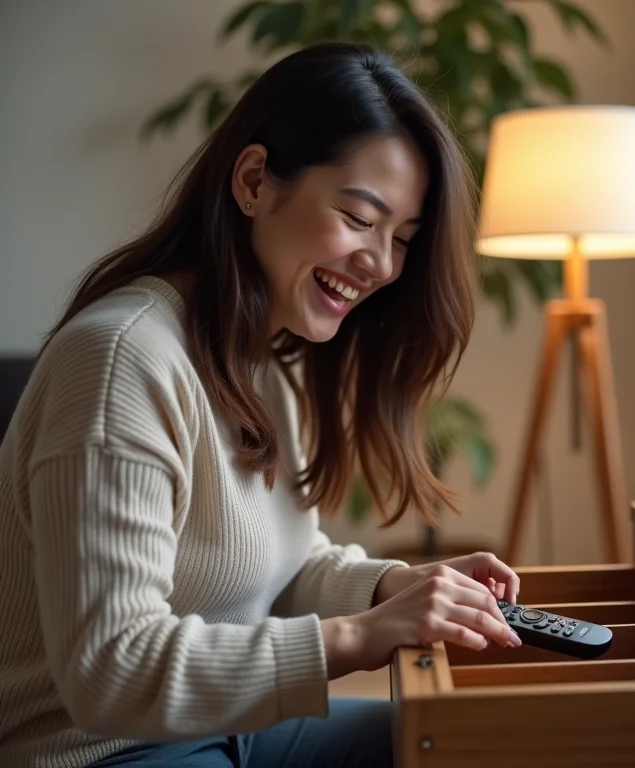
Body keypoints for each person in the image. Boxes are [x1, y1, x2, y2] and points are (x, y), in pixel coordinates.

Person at [0, 42, 521, 768]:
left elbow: (280, 567)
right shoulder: (121, 362)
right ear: (253, 181)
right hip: (99, 752)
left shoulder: (262, 356)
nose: (381, 264)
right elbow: (110, 670)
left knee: (485, 746)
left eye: (401, 239)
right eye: (358, 217)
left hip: (228, 726)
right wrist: (365, 635)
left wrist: (396, 587)